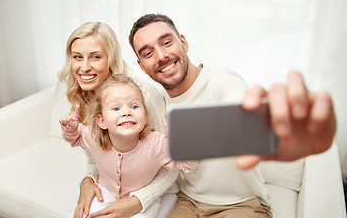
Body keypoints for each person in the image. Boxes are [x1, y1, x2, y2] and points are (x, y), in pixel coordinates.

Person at [79, 14, 336, 217]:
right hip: (188, 203)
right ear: (141, 66)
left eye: (167, 42)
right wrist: (89, 179)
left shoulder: (220, 82)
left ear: (184, 42)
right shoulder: (149, 102)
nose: (161, 56)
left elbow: (240, 106)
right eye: (147, 53)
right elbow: (113, 121)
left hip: (241, 205)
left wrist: (271, 122)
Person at [59, 22, 180, 218]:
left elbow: (169, 164)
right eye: (77, 57)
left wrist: (137, 201)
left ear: (110, 59)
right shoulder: (82, 98)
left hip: (154, 193)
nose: (84, 67)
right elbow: (96, 157)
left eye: (95, 57)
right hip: (112, 190)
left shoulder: (143, 95)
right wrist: (88, 180)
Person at [60, 74, 198, 218]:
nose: (126, 112)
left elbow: (188, 165)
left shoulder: (156, 144)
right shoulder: (93, 136)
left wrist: (181, 146)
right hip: (105, 194)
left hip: (141, 200)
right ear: (102, 121)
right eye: (115, 108)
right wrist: (70, 129)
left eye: (134, 106)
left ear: (145, 117)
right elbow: (75, 137)